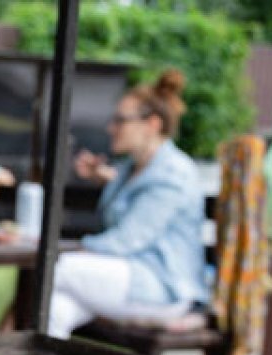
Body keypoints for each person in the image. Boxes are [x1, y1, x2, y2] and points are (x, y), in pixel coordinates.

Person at [48, 69, 206, 340]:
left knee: (53, 269)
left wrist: (75, 247)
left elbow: (127, 241)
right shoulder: (131, 169)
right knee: (52, 308)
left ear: (152, 124)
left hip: (160, 286)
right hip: (128, 278)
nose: (111, 128)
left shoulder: (173, 174)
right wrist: (104, 177)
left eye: (121, 120)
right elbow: (130, 197)